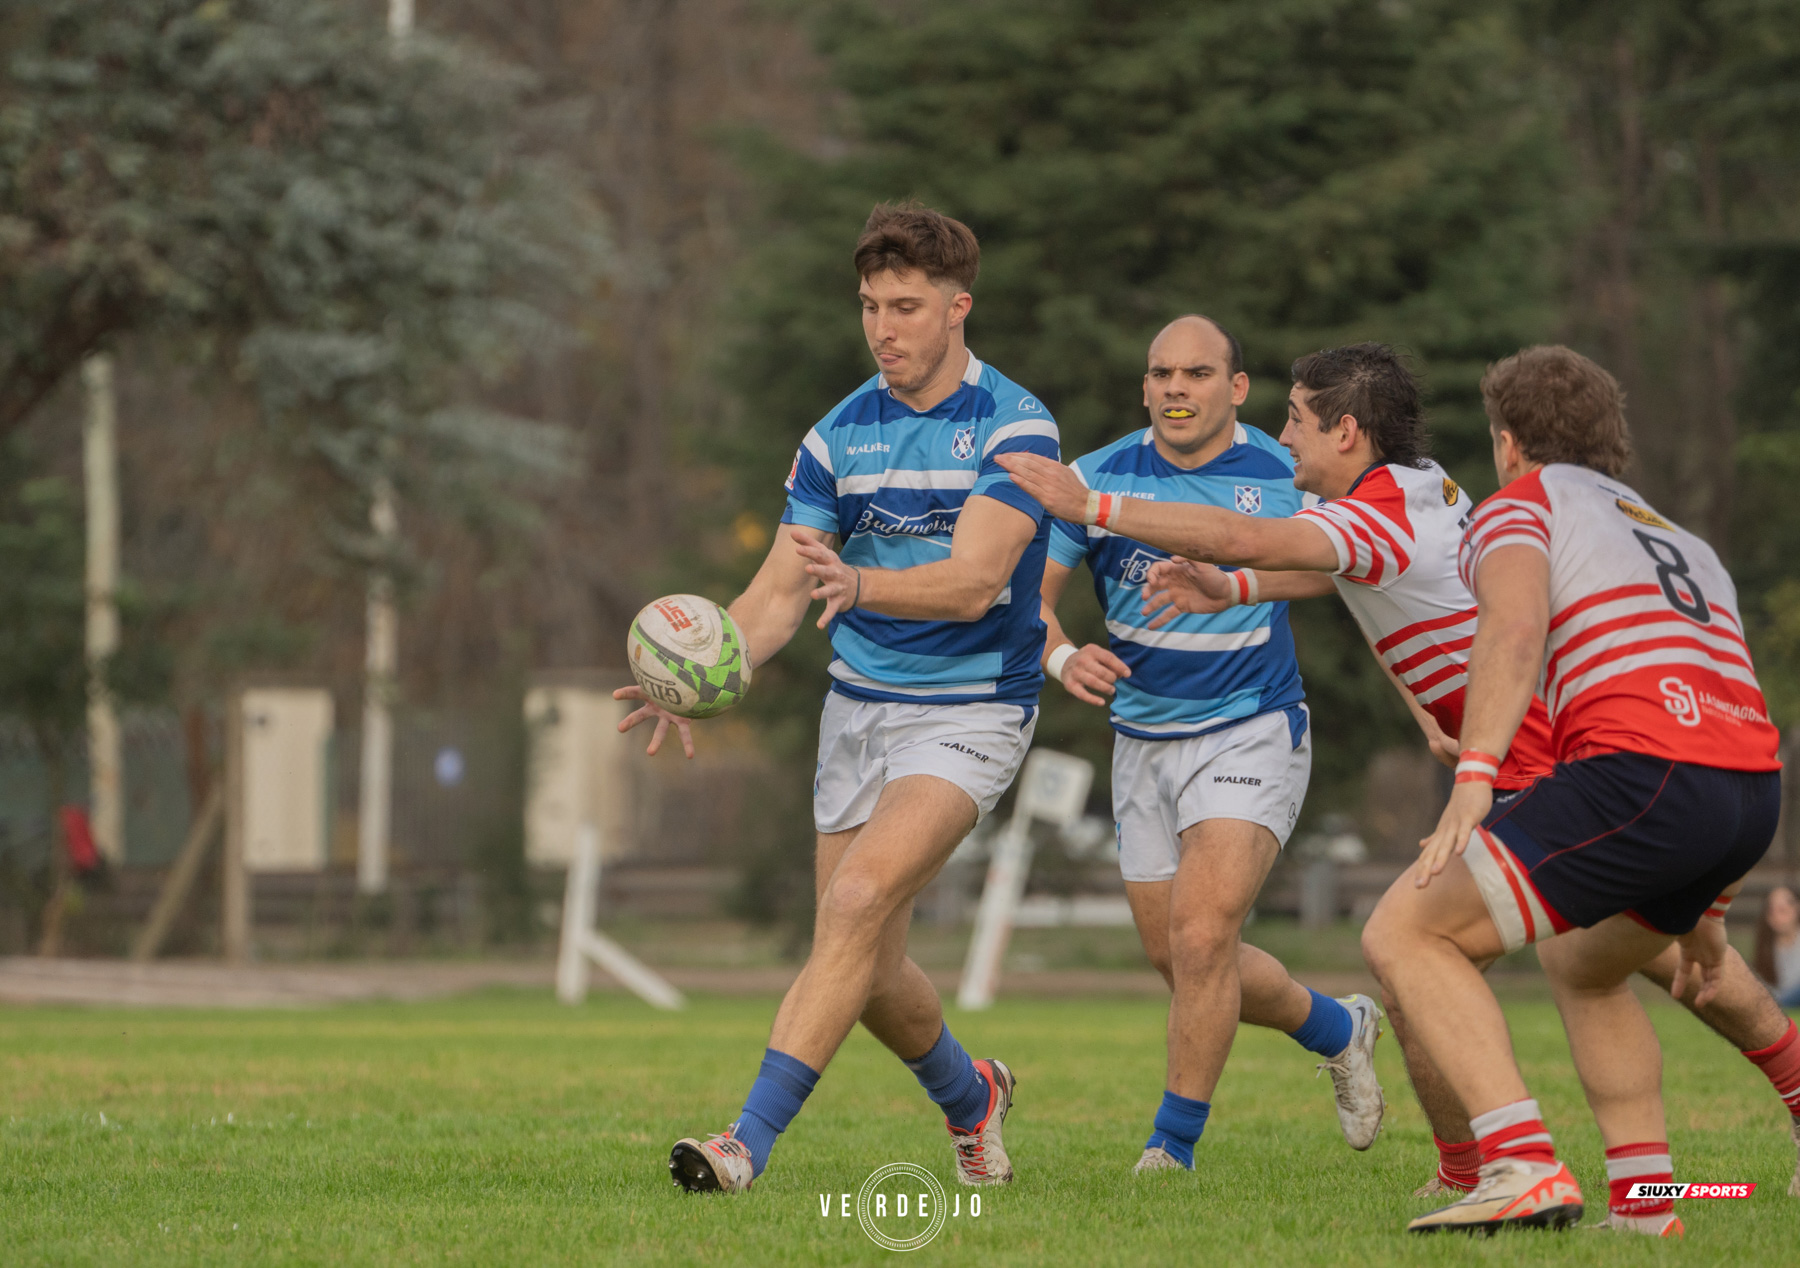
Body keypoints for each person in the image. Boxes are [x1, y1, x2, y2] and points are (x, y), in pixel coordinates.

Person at [1023, 343, 1800, 1206]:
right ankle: (1589, 1187)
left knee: (1420, 944)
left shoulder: (1381, 513)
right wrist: (1241, 590)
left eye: (1297, 421)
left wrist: (1089, 502)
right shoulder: (1423, 485)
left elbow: (1263, 533)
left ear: (1347, 432)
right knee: (1628, 961)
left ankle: (1515, 1167)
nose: (1282, 439)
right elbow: (1353, 569)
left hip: (1552, 764)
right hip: (1654, 764)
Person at [615, 203, 1061, 1194]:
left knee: (856, 902)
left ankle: (743, 1142)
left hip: (973, 708)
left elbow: (979, 578)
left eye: (906, 305)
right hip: (858, 709)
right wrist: (702, 673)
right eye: (870, 305)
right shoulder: (836, 437)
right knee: (859, 962)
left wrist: (863, 584)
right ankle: (972, 1095)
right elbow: (776, 595)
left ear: (958, 309)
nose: (883, 326)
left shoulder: (1016, 425)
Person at [1035, 316, 1384, 1175]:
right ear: (1145, 386)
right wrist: (1062, 653)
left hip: (1251, 724)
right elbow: (1031, 599)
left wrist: (1233, 584)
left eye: (1197, 372)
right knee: (1184, 959)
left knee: (1200, 942)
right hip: (1141, 739)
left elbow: (1341, 562)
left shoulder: (1284, 469)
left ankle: (1170, 1147)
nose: (1176, 388)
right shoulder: (1096, 476)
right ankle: (1340, 1028)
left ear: (1236, 388)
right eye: (1161, 373)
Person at [1755, 885, 1800, 1008]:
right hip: (1780, 997)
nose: (1777, 916)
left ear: (1797, 908)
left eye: (1782, 910)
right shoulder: (1766, 946)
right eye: (1771, 911)